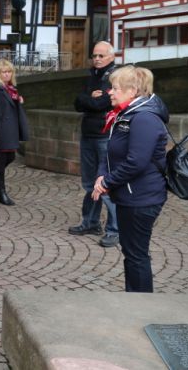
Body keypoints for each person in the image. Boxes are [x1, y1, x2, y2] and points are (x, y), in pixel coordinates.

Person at [93, 66, 168, 293]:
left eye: (115, 88)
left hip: (142, 197)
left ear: (132, 90)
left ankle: (141, 305)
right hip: (130, 194)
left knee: (136, 255)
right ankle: (133, 300)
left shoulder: (144, 118)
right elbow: (111, 152)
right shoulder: (127, 114)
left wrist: (106, 182)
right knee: (132, 253)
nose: (110, 92)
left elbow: (136, 161)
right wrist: (101, 174)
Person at [70, 41, 120, 248]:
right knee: (90, 183)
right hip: (88, 134)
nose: (97, 59)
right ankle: (90, 222)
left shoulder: (115, 77)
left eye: (101, 56)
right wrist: (88, 98)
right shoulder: (92, 76)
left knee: (106, 183)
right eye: (94, 56)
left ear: (111, 57)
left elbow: (103, 103)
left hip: (105, 135)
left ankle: (114, 229)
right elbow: (77, 102)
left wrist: (88, 100)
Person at [0, 59, 29, 206]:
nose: (7, 74)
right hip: (0, 129)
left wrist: (18, 100)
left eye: (9, 72)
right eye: (4, 72)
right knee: (2, 161)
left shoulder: (11, 89)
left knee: (10, 157)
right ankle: (0, 192)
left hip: (10, 130)